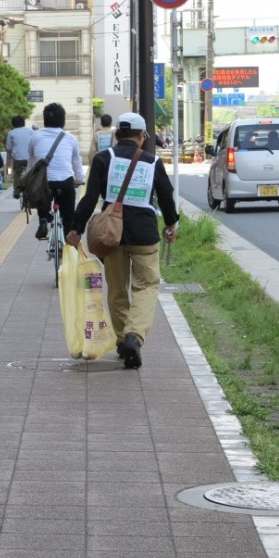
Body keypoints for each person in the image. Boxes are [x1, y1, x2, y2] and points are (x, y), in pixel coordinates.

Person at [65, 112, 179, 370]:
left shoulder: (103, 158)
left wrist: (76, 228)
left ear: (116, 135)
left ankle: (122, 341)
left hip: (111, 235)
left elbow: (89, 197)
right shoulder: (152, 161)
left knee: (117, 289)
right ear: (142, 136)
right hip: (144, 233)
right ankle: (133, 336)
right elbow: (166, 195)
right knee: (146, 285)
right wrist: (171, 224)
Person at [27, 102, 84, 240]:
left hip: (44, 182)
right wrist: (79, 179)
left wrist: (29, 178)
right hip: (65, 182)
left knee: (41, 191)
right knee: (68, 216)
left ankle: (42, 220)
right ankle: (67, 237)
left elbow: (32, 161)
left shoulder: (35, 136)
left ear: (44, 119)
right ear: (63, 120)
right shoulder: (71, 138)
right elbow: (76, 162)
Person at [5, 115, 33, 199]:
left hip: (18, 158)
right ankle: (31, 189)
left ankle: (16, 191)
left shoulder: (11, 133)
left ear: (13, 124)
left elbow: (9, 148)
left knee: (17, 173)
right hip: (29, 157)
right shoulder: (31, 131)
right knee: (31, 173)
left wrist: (9, 158)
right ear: (23, 123)